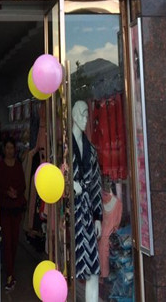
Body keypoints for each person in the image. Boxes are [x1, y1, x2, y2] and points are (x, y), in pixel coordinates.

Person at [72, 101, 103, 302]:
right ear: (73, 115)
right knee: (70, 265)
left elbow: (96, 185)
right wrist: (68, 184)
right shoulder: (64, 148)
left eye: (87, 115)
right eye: (82, 115)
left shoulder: (91, 150)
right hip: (70, 214)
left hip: (87, 214)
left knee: (92, 268)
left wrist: (98, 216)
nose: (85, 119)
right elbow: (53, 177)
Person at [0, 138, 26, 292]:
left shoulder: (18, 165)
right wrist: (7, 192)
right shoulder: (0, 166)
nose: (9, 150)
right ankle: (10, 275)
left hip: (16, 208)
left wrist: (16, 192)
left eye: (11, 148)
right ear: (4, 149)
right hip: (5, 208)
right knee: (7, 241)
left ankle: (11, 269)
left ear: (14, 149)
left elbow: (23, 184)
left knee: (14, 241)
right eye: (7, 148)